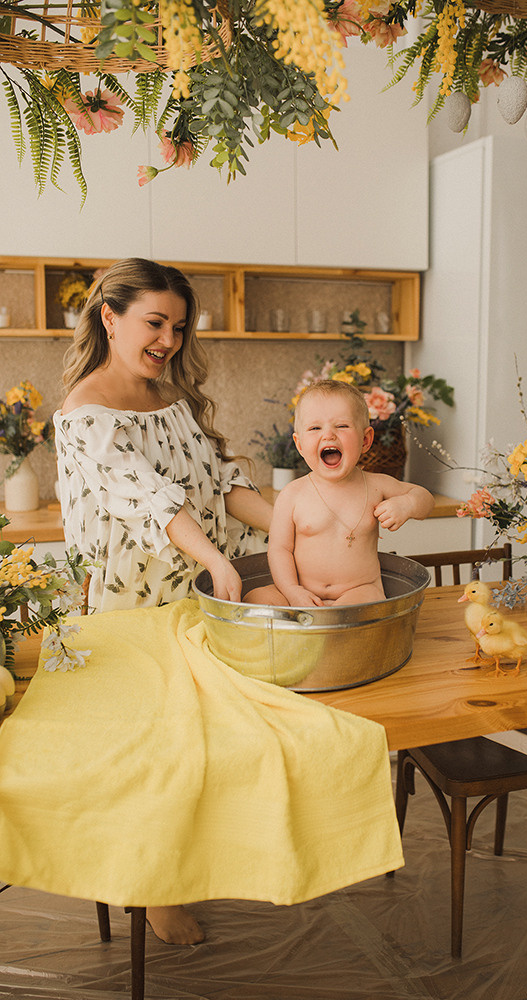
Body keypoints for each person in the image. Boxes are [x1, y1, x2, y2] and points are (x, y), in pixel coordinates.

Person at [55, 257, 274, 945]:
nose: (168, 340)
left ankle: (183, 868)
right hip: (131, 617)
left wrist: (298, 524)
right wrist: (212, 555)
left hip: (197, 606)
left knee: (203, 752)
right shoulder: (86, 413)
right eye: (155, 323)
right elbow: (151, 500)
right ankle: (153, 891)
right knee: (154, 762)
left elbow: (219, 483)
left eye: (178, 327)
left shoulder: (170, 397)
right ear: (108, 316)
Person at [251, 379, 434, 607]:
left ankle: (326, 629)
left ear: (366, 440)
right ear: (299, 444)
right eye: (315, 428)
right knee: (256, 598)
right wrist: (292, 591)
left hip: (358, 592)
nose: (328, 435)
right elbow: (279, 550)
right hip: (302, 594)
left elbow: (425, 499)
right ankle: (308, 621)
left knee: (367, 603)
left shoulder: (377, 485)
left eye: (342, 426)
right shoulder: (292, 494)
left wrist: (407, 504)